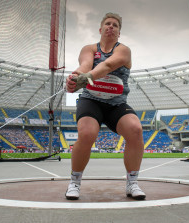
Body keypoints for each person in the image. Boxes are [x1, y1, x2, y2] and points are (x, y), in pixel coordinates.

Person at [65, 12, 146, 200]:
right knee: (87, 134)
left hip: (116, 103)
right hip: (91, 100)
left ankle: (132, 183)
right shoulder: (89, 48)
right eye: (108, 24)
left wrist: (90, 76)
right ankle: (74, 182)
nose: (111, 26)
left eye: (115, 25)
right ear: (101, 29)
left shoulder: (124, 50)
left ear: (119, 33)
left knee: (135, 129)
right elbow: (85, 65)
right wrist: (75, 78)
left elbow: (108, 65)